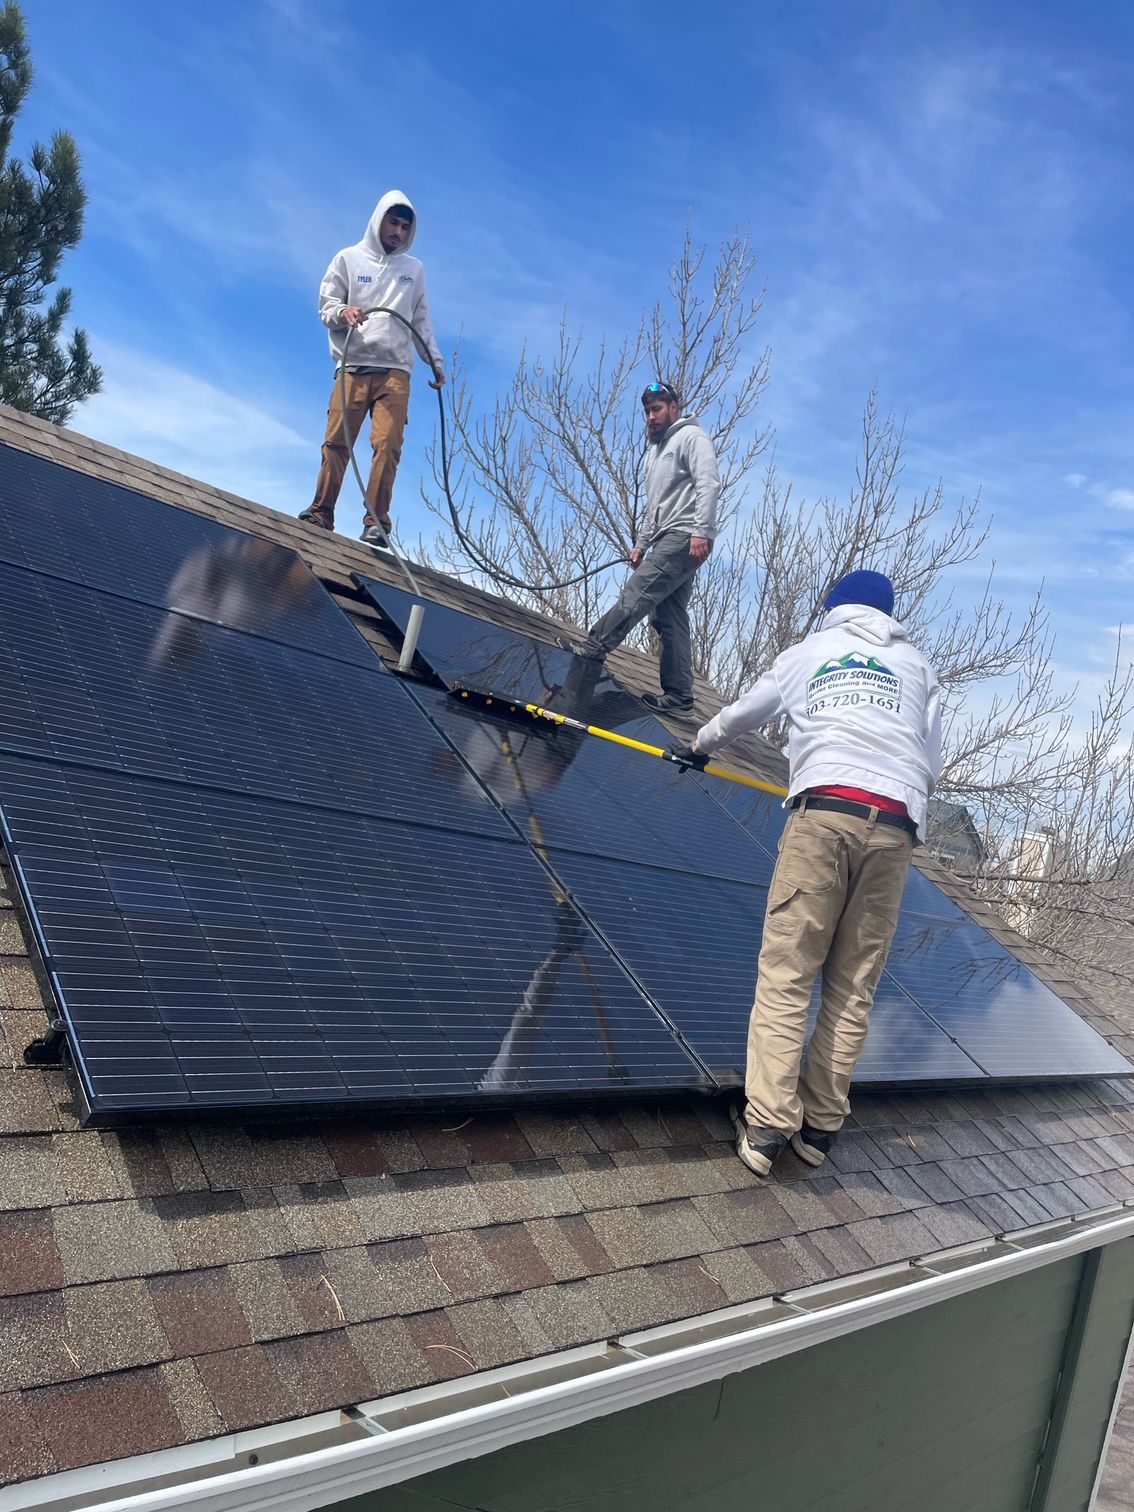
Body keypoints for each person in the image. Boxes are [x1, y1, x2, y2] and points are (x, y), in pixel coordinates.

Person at [677, 570, 942, 1177]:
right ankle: (821, 1129)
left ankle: (768, 1126)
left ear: (831, 607)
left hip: (826, 814)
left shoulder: (808, 655)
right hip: (897, 825)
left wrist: (699, 744)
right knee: (854, 983)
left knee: (789, 971)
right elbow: (930, 761)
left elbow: (743, 714)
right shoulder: (920, 670)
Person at [562, 382, 720, 713]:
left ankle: (595, 646)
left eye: (657, 409)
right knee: (668, 614)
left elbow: (708, 483)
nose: (650, 417)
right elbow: (654, 505)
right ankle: (680, 697)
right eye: (647, 411)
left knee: (637, 593)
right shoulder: (654, 452)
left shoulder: (693, 438)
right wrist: (641, 544)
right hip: (666, 536)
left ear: (674, 407)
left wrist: (702, 530)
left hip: (685, 534)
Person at [299, 189, 444, 545]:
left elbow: (421, 320)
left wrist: (435, 362)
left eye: (405, 226)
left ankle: (376, 522)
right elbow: (326, 305)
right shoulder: (348, 259)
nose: (398, 231)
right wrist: (343, 312)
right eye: (393, 222)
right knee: (336, 442)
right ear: (379, 220)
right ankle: (321, 513)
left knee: (388, 444)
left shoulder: (414, 270)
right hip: (352, 366)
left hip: (395, 372)